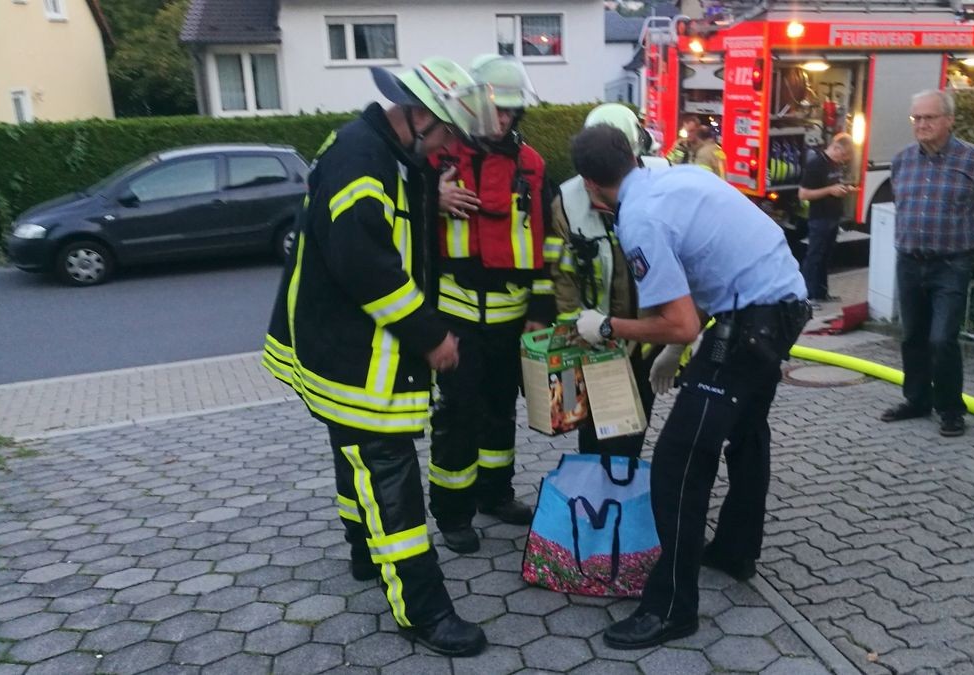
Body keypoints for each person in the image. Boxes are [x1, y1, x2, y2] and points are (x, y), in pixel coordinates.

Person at [261, 57, 497, 657]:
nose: (446, 148)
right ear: (417, 116)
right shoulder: (362, 161)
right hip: (354, 356)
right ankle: (423, 609)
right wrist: (430, 336)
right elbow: (369, 268)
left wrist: (430, 200)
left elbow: (382, 226)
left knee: (354, 456)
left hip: (335, 347)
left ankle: (364, 555)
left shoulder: (375, 148)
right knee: (389, 474)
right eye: (444, 132)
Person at [569, 125, 812, 650]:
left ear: (591, 185)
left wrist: (607, 326)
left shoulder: (638, 219)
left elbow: (678, 322)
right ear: (634, 156)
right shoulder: (671, 179)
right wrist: (680, 346)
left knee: (680, 458)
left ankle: (672, 607)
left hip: (752, 322)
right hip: (782, 303)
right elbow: (708, 269)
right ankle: (735, 550)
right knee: (746, 433)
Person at [427, 55, 553, 554]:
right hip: (455, 317)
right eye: (494, 109)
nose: (502, 119)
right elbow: (400, 229)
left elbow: (547, 244)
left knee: (501, 409)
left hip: (512, 318)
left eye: (510, 111)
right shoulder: (437, 160)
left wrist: (540, 313)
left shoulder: (532, 164)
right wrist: (428, 200)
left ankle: (494, 493)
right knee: (458, 415)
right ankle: (453, 512)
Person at [547, 102, 669, 457]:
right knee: (599, 429)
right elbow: (562, 276)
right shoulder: (568, 201)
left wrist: (674, 344)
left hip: (647, 339)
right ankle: (599, 495)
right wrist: (574, 337)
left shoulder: (663, 181)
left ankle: (617, 492)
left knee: (633, 427)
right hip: (596, 341)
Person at [881, 89, 974, 437]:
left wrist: (967, 249)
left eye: (929, 117)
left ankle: (950, 409)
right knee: (913, 336)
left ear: (949, 120)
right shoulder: (902, 160)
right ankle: (917, 400)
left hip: (952, 264)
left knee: (942, 339)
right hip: (909, 260)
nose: (922, 124)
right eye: (916, 118)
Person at [798, 133, 856, 306]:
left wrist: (845, 189)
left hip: (832, 217)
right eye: (843, 155)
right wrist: (830, 190)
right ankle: (806, 296)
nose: (843, 160)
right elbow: (803, 194)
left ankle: (821, 292)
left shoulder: (834, 165)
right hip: (820, 218)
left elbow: (833, 185)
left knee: (825, 257)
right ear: (836, 148)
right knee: (814, 257)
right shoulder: (816, 164)